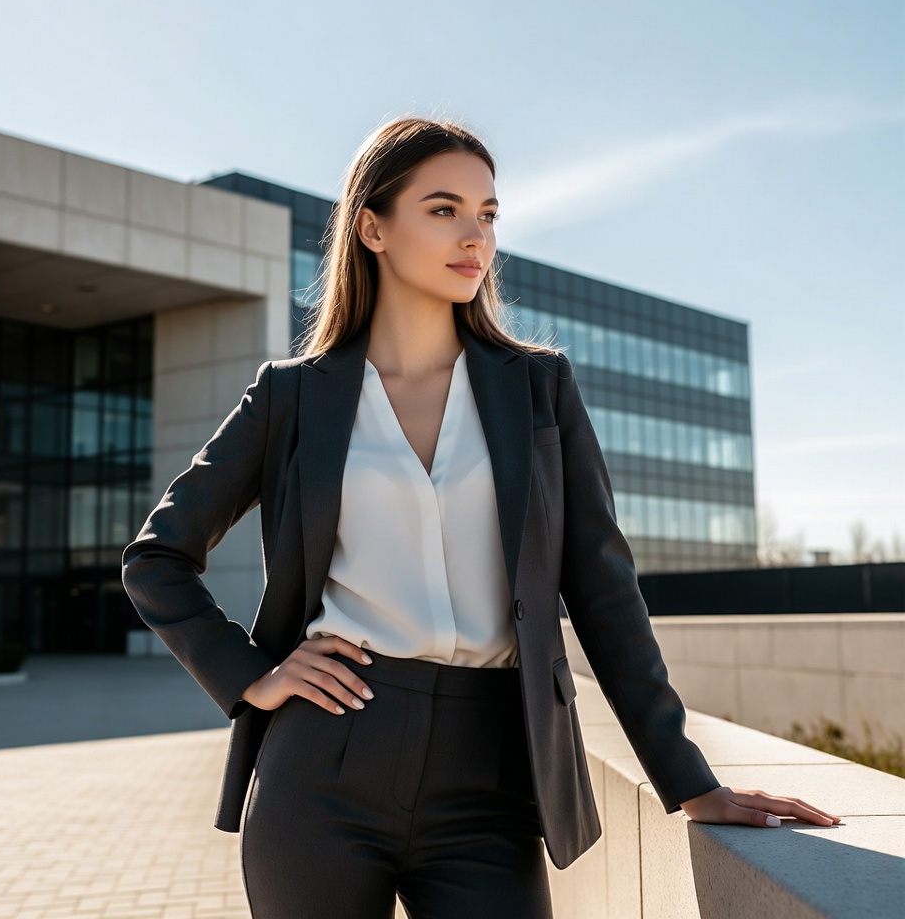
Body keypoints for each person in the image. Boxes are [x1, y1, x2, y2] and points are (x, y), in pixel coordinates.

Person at [121, 115, 841, 919]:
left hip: (491, 770)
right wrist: (253, 676)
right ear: (372, 227)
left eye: (489, 213)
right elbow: (156, 558)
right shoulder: (293, 396)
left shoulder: (538, 389)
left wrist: (689, 780)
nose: (476, 236)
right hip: (324, 759)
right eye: (443, 210)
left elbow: (603, 593)